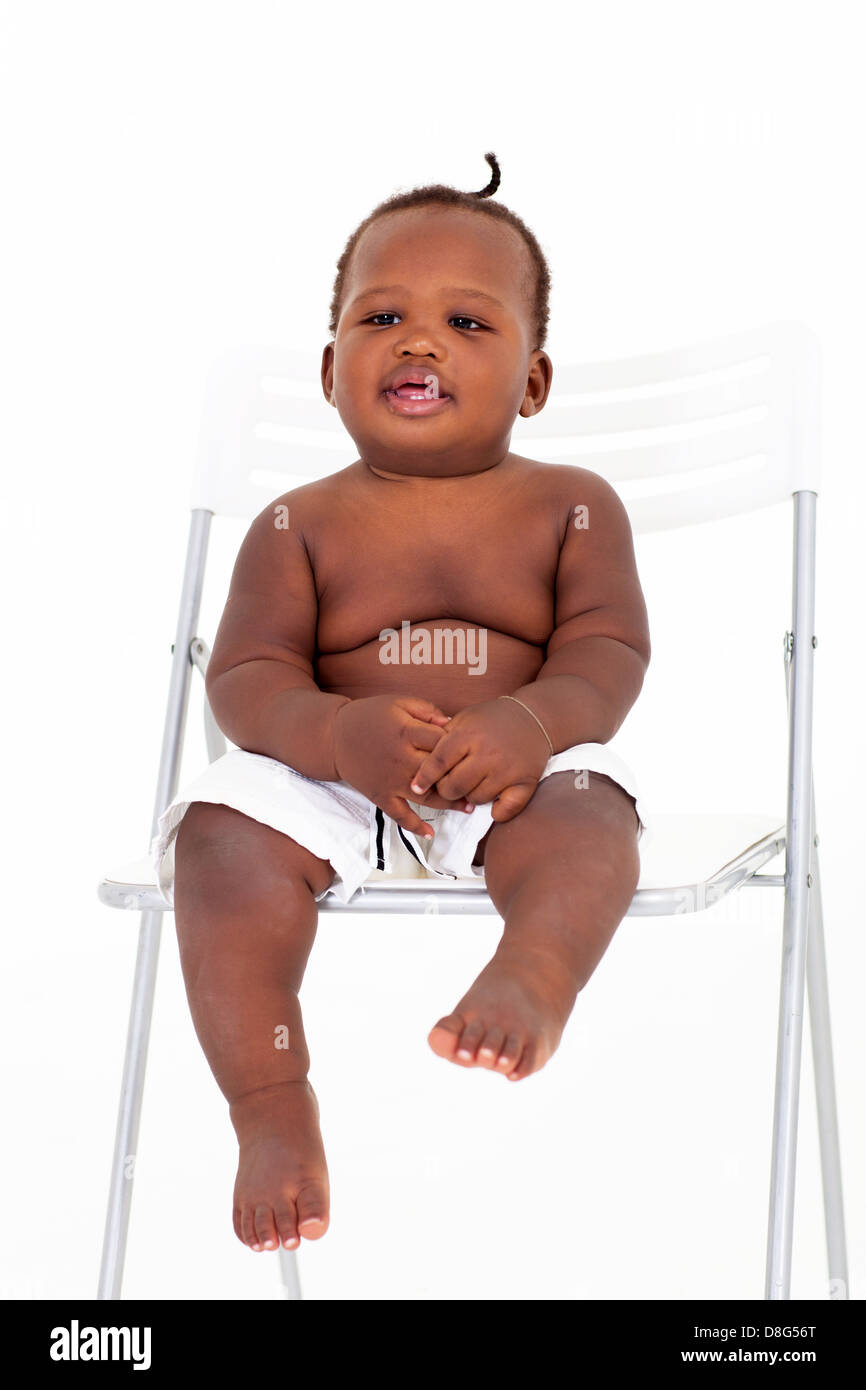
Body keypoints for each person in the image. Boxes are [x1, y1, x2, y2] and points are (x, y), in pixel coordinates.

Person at [151, 153, 651, 1256]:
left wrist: (528, 722)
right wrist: (331, 730)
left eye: (468, 324)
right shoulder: (298, 523)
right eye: (383, 315)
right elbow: (244, 677)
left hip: (511, 788)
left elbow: (607, 654)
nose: (419, 340)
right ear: (332, 368)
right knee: (218, 837)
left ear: (532, 382)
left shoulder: (570, 507)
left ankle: (532, 970)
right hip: (330, 787)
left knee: (591, 810)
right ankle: (271, 1101)